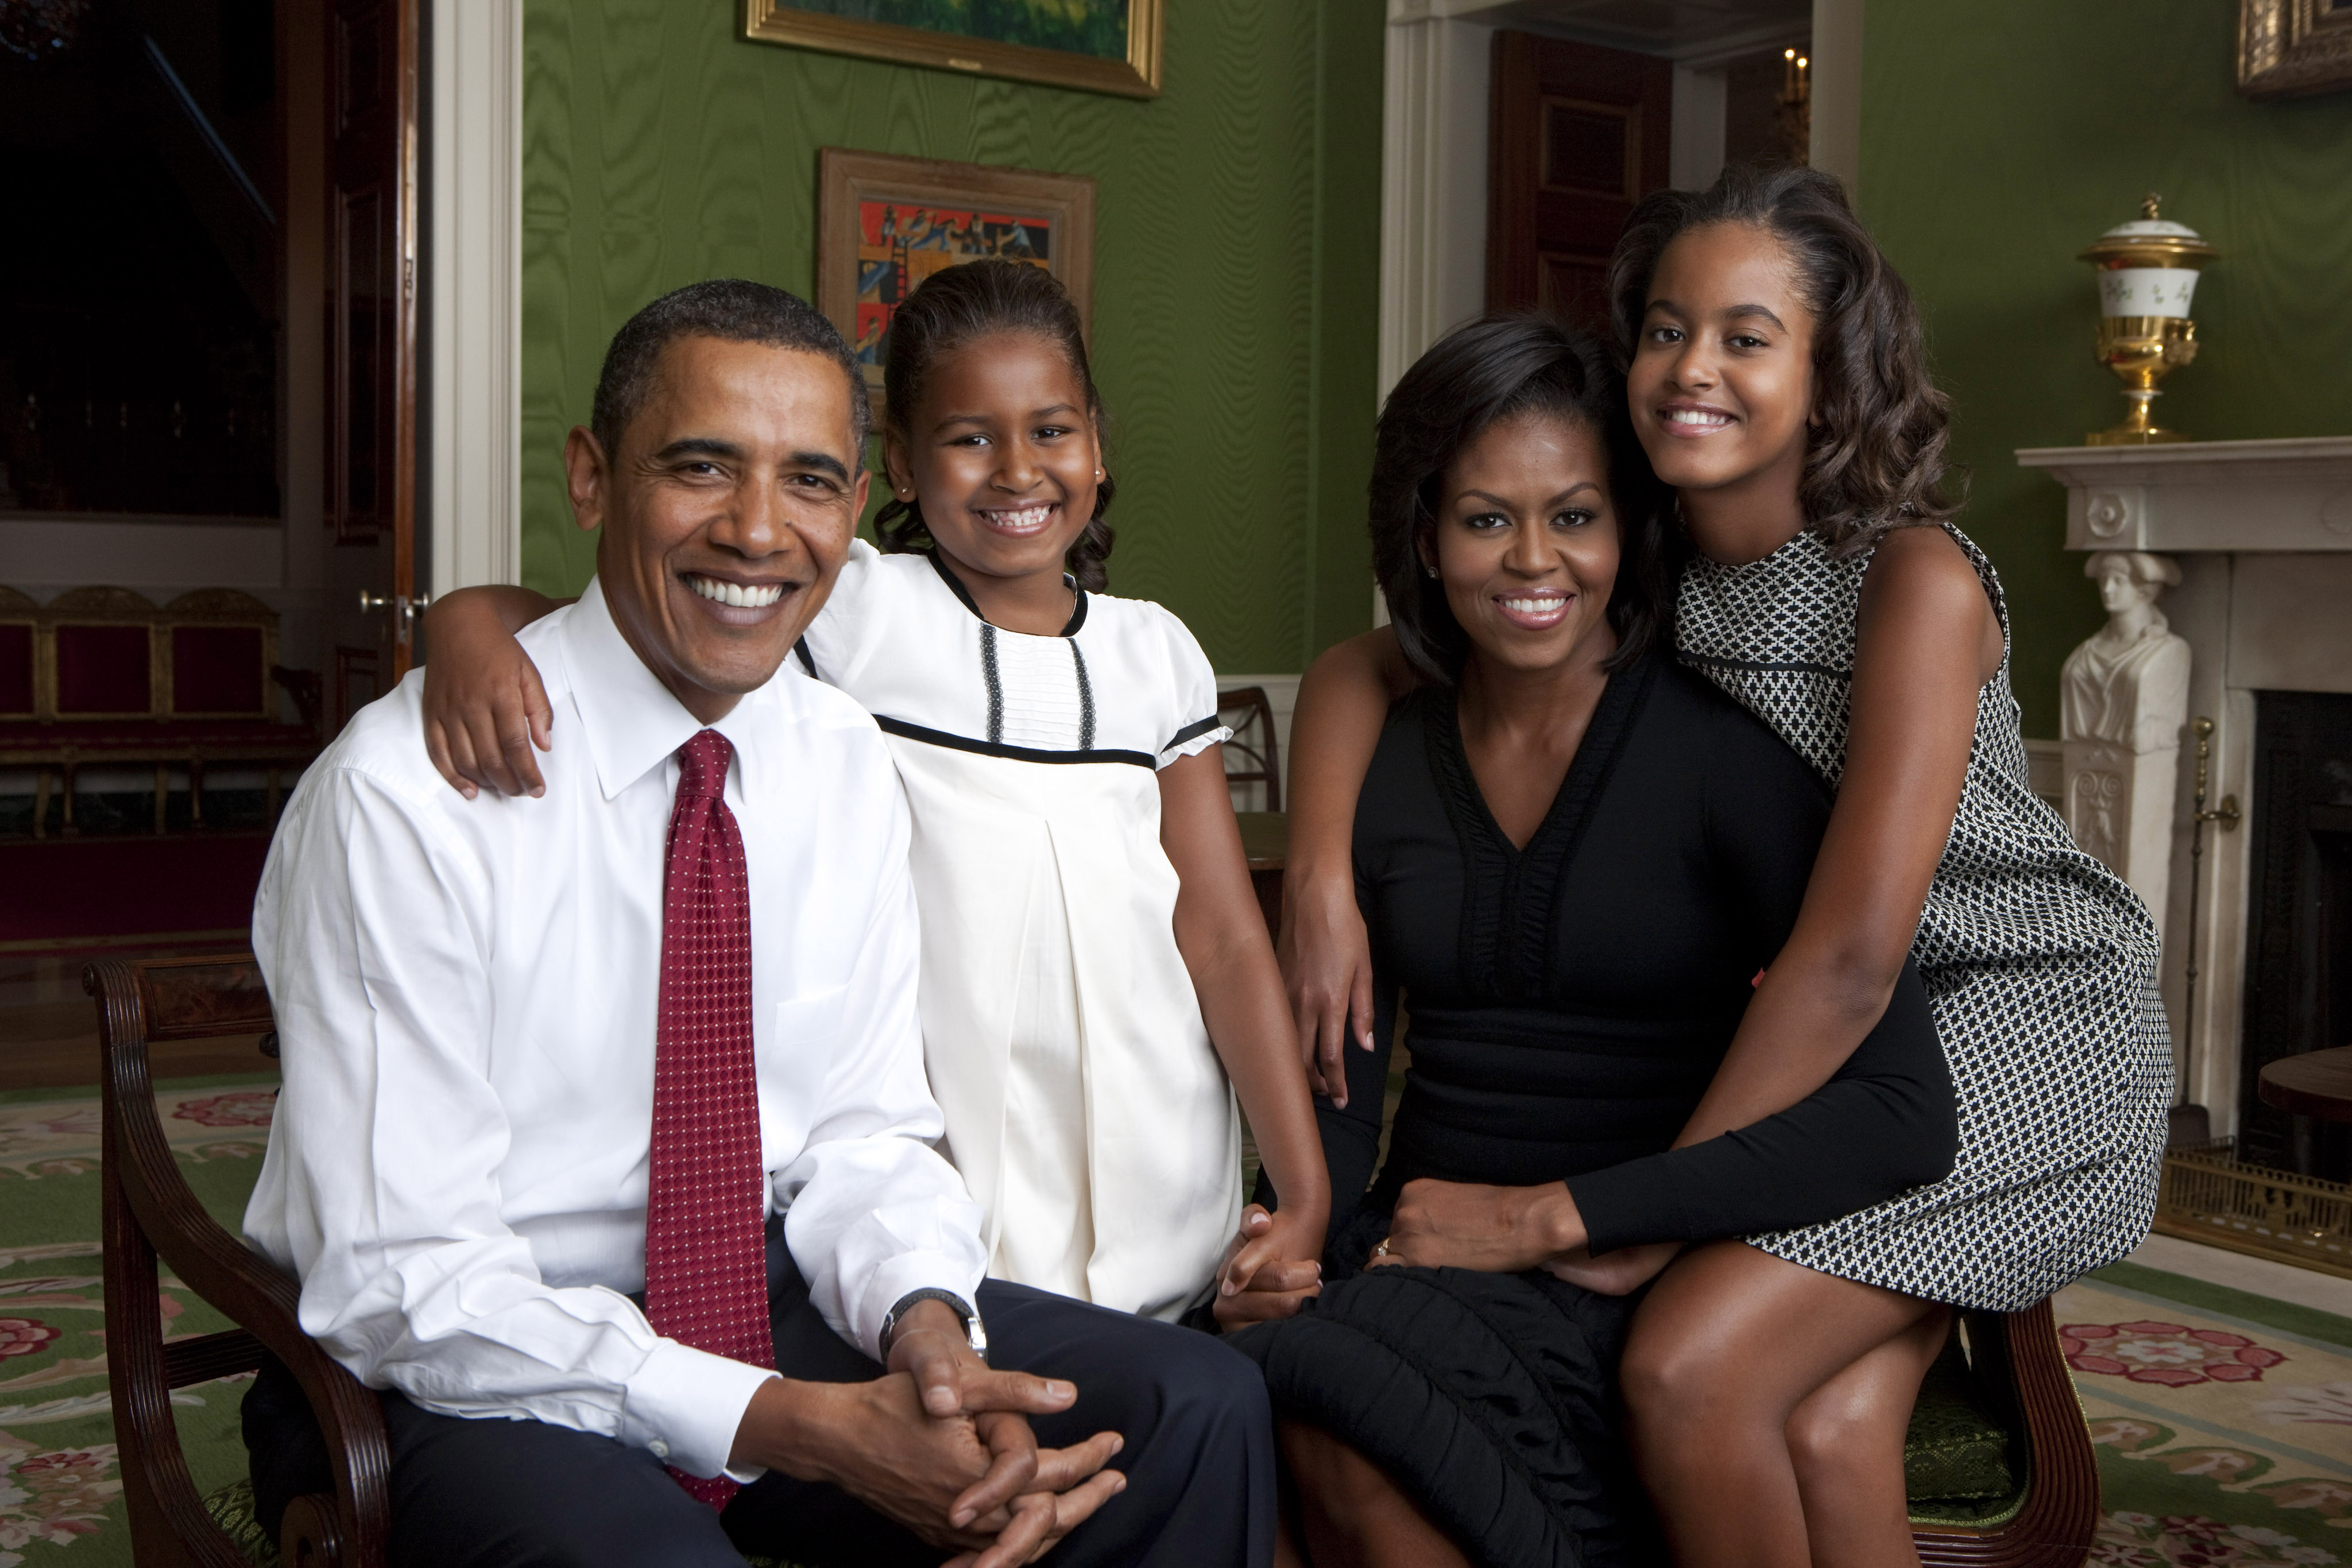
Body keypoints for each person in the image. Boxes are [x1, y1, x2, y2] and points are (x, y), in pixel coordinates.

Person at [241, 278, 1276, 1568]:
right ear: (590, 477)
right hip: (457, 1362)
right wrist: (809, 1428)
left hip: (754, 1292)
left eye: (807, 482)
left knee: (1193, 1408)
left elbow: (862, 1132)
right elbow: (407, 1281)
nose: (755, 530)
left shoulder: (835, 753)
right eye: (700, 468)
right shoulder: (406, 796)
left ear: (854, 506)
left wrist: (926, 1333)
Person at [1282, 166, 2173, 1566]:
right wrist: (1324, 874)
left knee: (1685, 1361)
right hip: (1859, 1036)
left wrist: (1639, 1215)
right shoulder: (1649, 554)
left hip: (2013, 1021)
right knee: (1827, 1430)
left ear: (1830, 375)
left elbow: (1846, 960)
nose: (1690, 368)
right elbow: (1365, 664)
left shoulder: (1910, 579)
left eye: (1745, 337)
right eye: (1661, 329)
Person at [417, 259, 1328, 1330]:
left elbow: (1219, 933)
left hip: (1158, 1131)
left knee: (1182, 1401)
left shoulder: (1156, 654)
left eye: (1051, 431)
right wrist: (462, 624)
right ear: (897, 463)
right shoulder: (856, 608)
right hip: (956, 1153)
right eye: (969, 438)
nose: (1016, 471)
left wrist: (1302, 1192)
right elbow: (621, 621)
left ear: (1097, 445)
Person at [1227, 313, 1958, 1568]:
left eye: (1572, 516)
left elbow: (1898, 1110)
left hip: (1632, 1262)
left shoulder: (1723, 753)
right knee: (1270, 1376)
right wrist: (1284, 1230)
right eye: (1481, 519)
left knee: (1340, 1411)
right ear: (1422, 536)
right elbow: (1341, 1078)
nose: (1530, 561)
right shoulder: (1389, 759)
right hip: (1426, 1240)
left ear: (1626, 535)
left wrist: (1574, 1221)